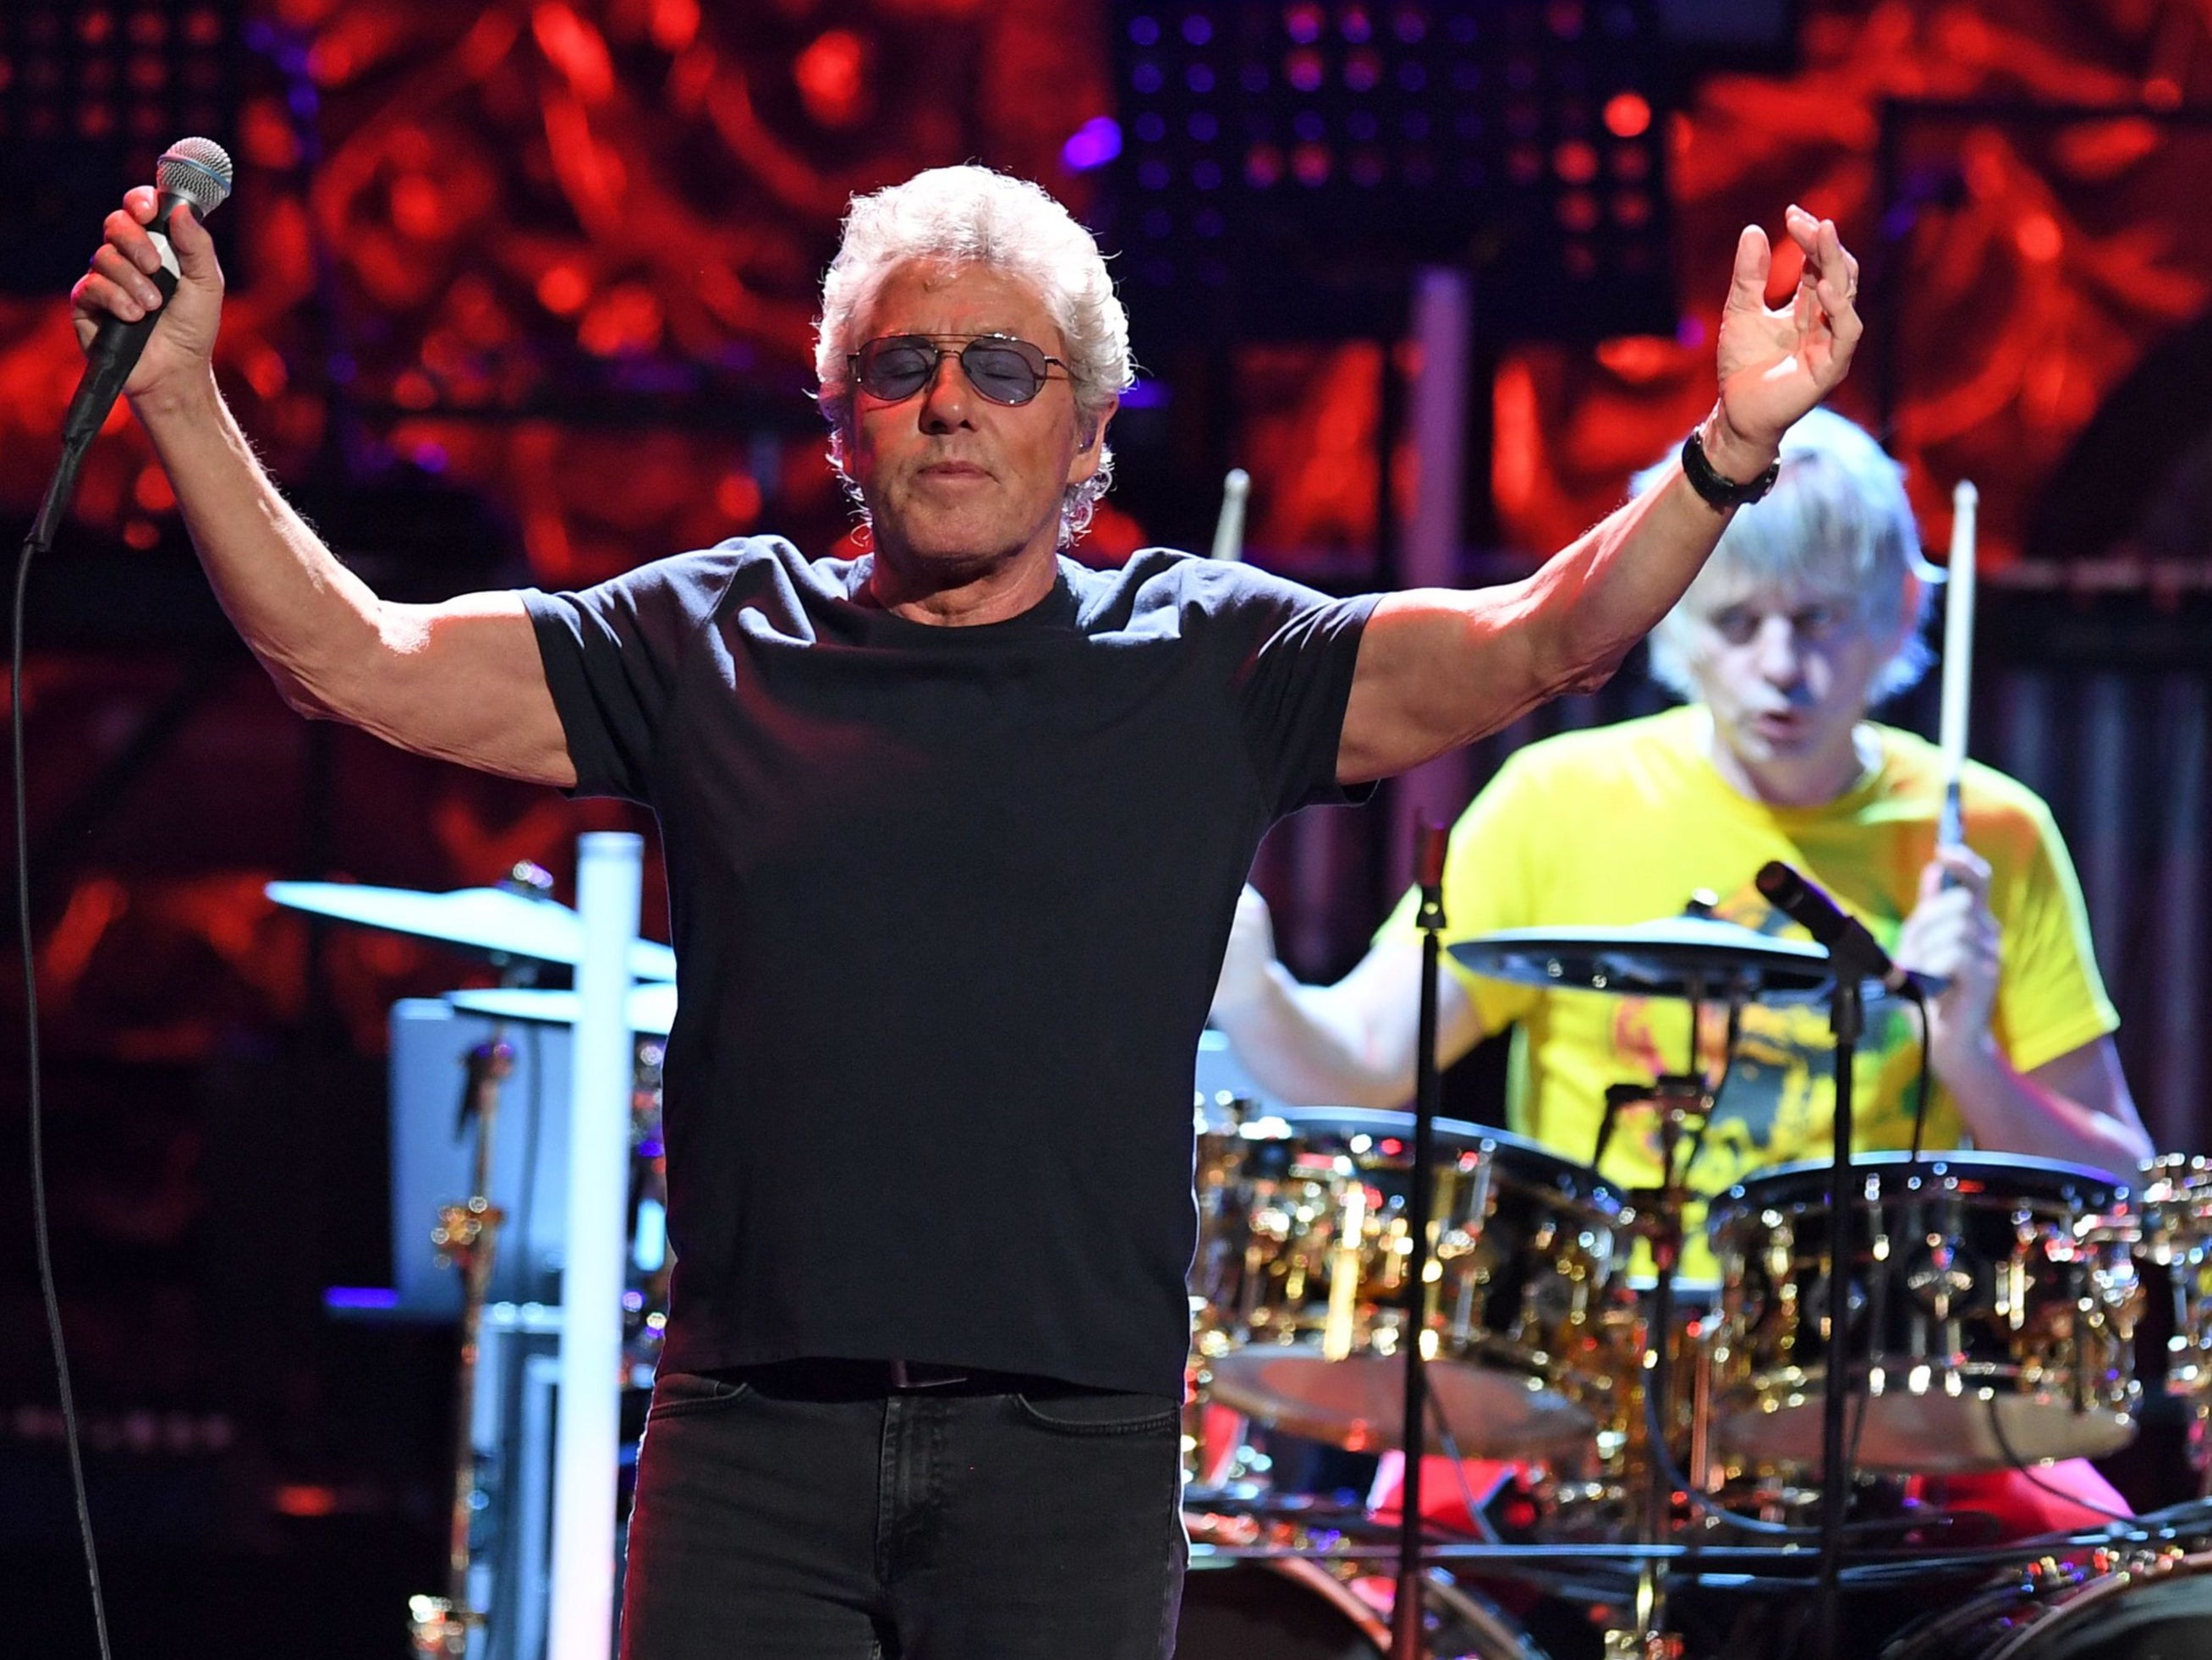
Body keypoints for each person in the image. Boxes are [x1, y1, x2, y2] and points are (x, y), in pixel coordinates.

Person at [75, 163, 1862, 1658]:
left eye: (1004, 366)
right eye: (903, 363)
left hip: (1065, 1452)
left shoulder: (1209, 662)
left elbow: (1546, 636)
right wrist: (179, 398)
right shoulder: (710, 639)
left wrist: (1725, 448)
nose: (950, 402)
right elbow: (352, 659)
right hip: (750, 1443)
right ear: (842, 416)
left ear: (1087, 432)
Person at [1207, 406, 2154, 1531]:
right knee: (1386, 1583)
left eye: (1819, 620)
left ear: (1900, 611)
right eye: (1737, 622)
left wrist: (1973, 1061)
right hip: (1582, 1370)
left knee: (2107, 1579)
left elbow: (2121, 1185)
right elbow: (1359, 1065)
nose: (1781, 667)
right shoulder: (1558, 802)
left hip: (1876, 1380)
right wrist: (1247, 980)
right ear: (1670, 614)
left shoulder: (1989, 834)